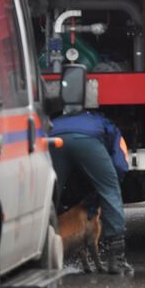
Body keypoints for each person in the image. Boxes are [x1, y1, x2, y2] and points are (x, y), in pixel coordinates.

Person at [48, 66, 134, 276]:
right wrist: (100, 195)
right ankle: (116, 260)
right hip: (89, 141)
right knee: (110, 191)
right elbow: (121, 163)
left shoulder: (55, 121)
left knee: (48, 194)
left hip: (54, 138)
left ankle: (41, 251)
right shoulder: (104, 123)